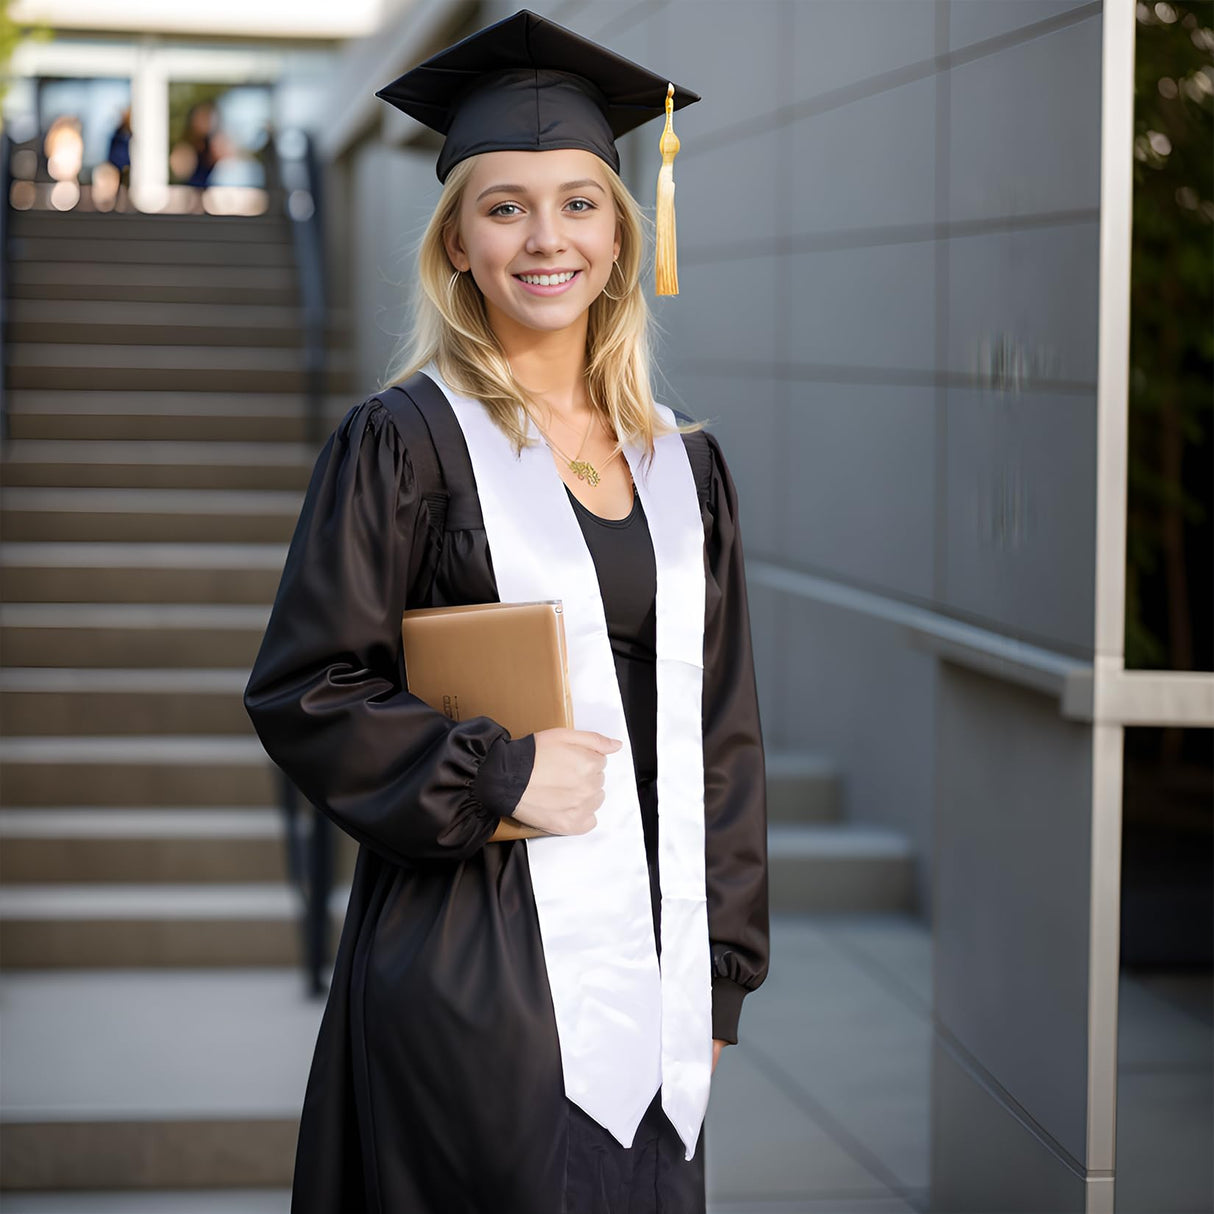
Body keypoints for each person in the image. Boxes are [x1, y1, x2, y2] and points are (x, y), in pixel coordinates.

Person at [242, 10, 768, 1213]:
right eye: (504, 206)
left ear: (623, 234)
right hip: (471, 956)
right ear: (457, 246)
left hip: (656, 966)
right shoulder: (403, 444)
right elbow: (305, 685)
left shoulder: (685, 468)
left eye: (579, 202)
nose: (546, 239)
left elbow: (721, 732)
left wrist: (722, 975)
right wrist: (491, 771)